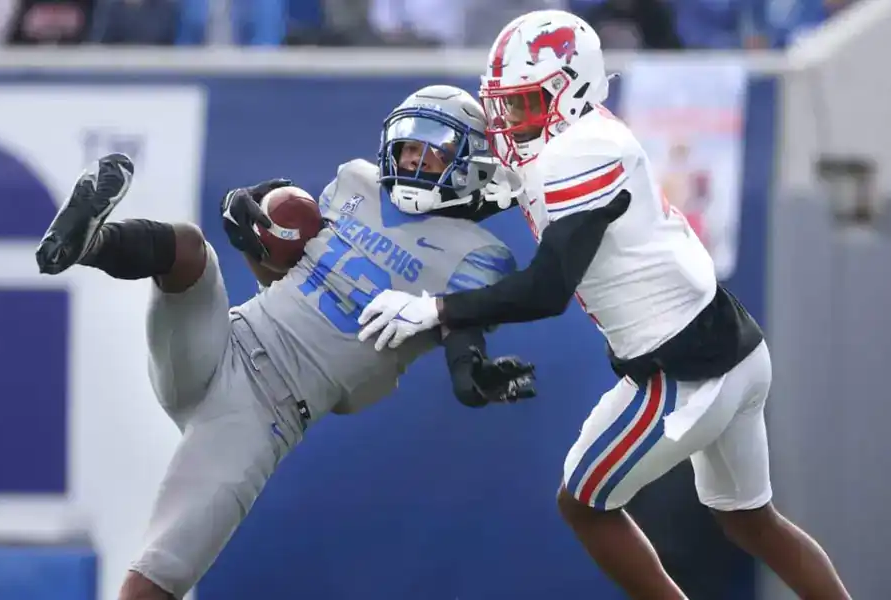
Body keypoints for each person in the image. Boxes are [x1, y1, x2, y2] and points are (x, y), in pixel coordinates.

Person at [357, 10, 852, 600]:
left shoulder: (581, 153)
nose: (508, 120)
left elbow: (547, 290)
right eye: (504, 104)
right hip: (729, 343)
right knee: (750, 519)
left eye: (524, 104)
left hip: (683, 373)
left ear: (571, 93)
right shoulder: (572, 138)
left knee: (583, 504)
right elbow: (489, 202)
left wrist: (438, 310)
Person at [35, 84, 536, 600]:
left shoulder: (477, 255)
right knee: (187, 248)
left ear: (471, 165)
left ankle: (90, 242)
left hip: (261, 409)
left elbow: (460, 325)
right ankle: (86, 243)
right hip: (226, 338)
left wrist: (470, 372)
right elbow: (281, 276)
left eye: (429, 149)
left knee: (155, 581)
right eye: (407, 146)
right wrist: (249, 233)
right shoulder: (356, 184)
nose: (411, 159)